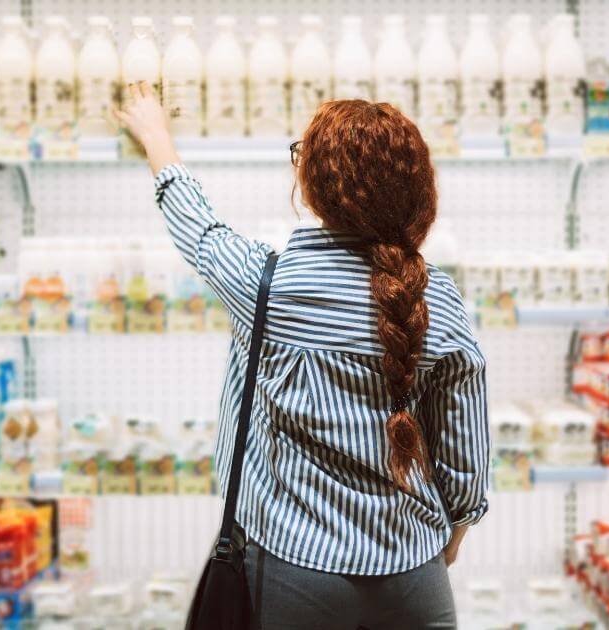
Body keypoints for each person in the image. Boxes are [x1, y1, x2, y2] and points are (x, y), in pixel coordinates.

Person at [116, 82, 490, 629]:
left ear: (313, 187)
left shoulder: (264, 285)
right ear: (416, 190)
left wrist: (155, 135)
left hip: (295, 568)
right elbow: (465, 456)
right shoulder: (439, 300)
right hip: (413, 572)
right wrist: (454, 529)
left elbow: (195, 224)